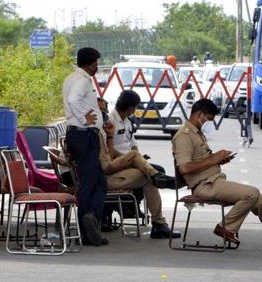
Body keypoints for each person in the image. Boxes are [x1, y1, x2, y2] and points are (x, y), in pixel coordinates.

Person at [172, 99, 262, 252]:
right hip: (204, 186)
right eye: (209, 119)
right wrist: (214, 159)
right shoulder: (184, 136)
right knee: (251, 193)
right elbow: (185, 168)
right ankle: (225, 227)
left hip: (213, 181)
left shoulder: (197, 133)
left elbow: (201, 161)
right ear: (200, 115)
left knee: (260, 200)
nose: (210, 123)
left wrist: (218, 161)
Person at [96, 98, 180, 239]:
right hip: (103, 177)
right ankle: (154, 219)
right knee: (146, 170)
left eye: (104, 110)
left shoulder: (104, 128)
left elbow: (124, 146)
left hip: (112, 168)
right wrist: (128, 159)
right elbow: (107, 164)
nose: (103, 114)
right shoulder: (92, 131)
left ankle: (158, 223)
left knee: (148, 174)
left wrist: (109, 136)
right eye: (100, 111)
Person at [62, 47, 108, 246]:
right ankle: (87, 228)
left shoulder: (70, 77)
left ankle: (91, 220)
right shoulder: (83, 80)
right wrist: (84, 117)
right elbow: (73, 100)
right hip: (84, 135)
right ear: (90, 63)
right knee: (90, 184)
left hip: (79, 134)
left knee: (99, 182)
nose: (97, 67)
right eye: (96, 63)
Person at [107, 90, 174, 217]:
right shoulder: (111, 121)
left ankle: (133, 205)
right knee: (152, 174)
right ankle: (131, 206)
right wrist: (129, 158)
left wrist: (138, 158)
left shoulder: (127, 121)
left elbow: (132, 142)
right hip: (117, 162)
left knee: (155, 171)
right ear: (131, 108)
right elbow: (108, 149)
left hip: (130, 159)